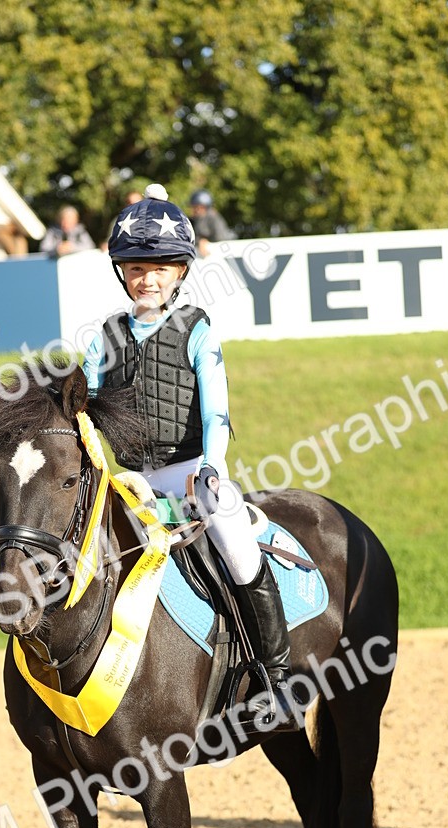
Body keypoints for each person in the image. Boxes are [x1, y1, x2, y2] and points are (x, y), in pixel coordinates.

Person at [82, 183, 300, 730]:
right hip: (132, 481)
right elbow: (81, 405)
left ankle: (277, 679)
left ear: (180, 271)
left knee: (235, 543)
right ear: (121, 272)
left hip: (190, 473)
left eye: (159, 268)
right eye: (136, 269)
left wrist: (212, 467)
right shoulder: (104, 337)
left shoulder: (196, 329)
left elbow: (216, 412)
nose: (147, 279)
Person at [188, 189, 232, 258]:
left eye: (195, 207)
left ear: (203, 207)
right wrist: (199, 241)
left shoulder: (213, 218)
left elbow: (220, 237)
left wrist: (205, 241)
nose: (193, 210)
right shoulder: (195, 220)